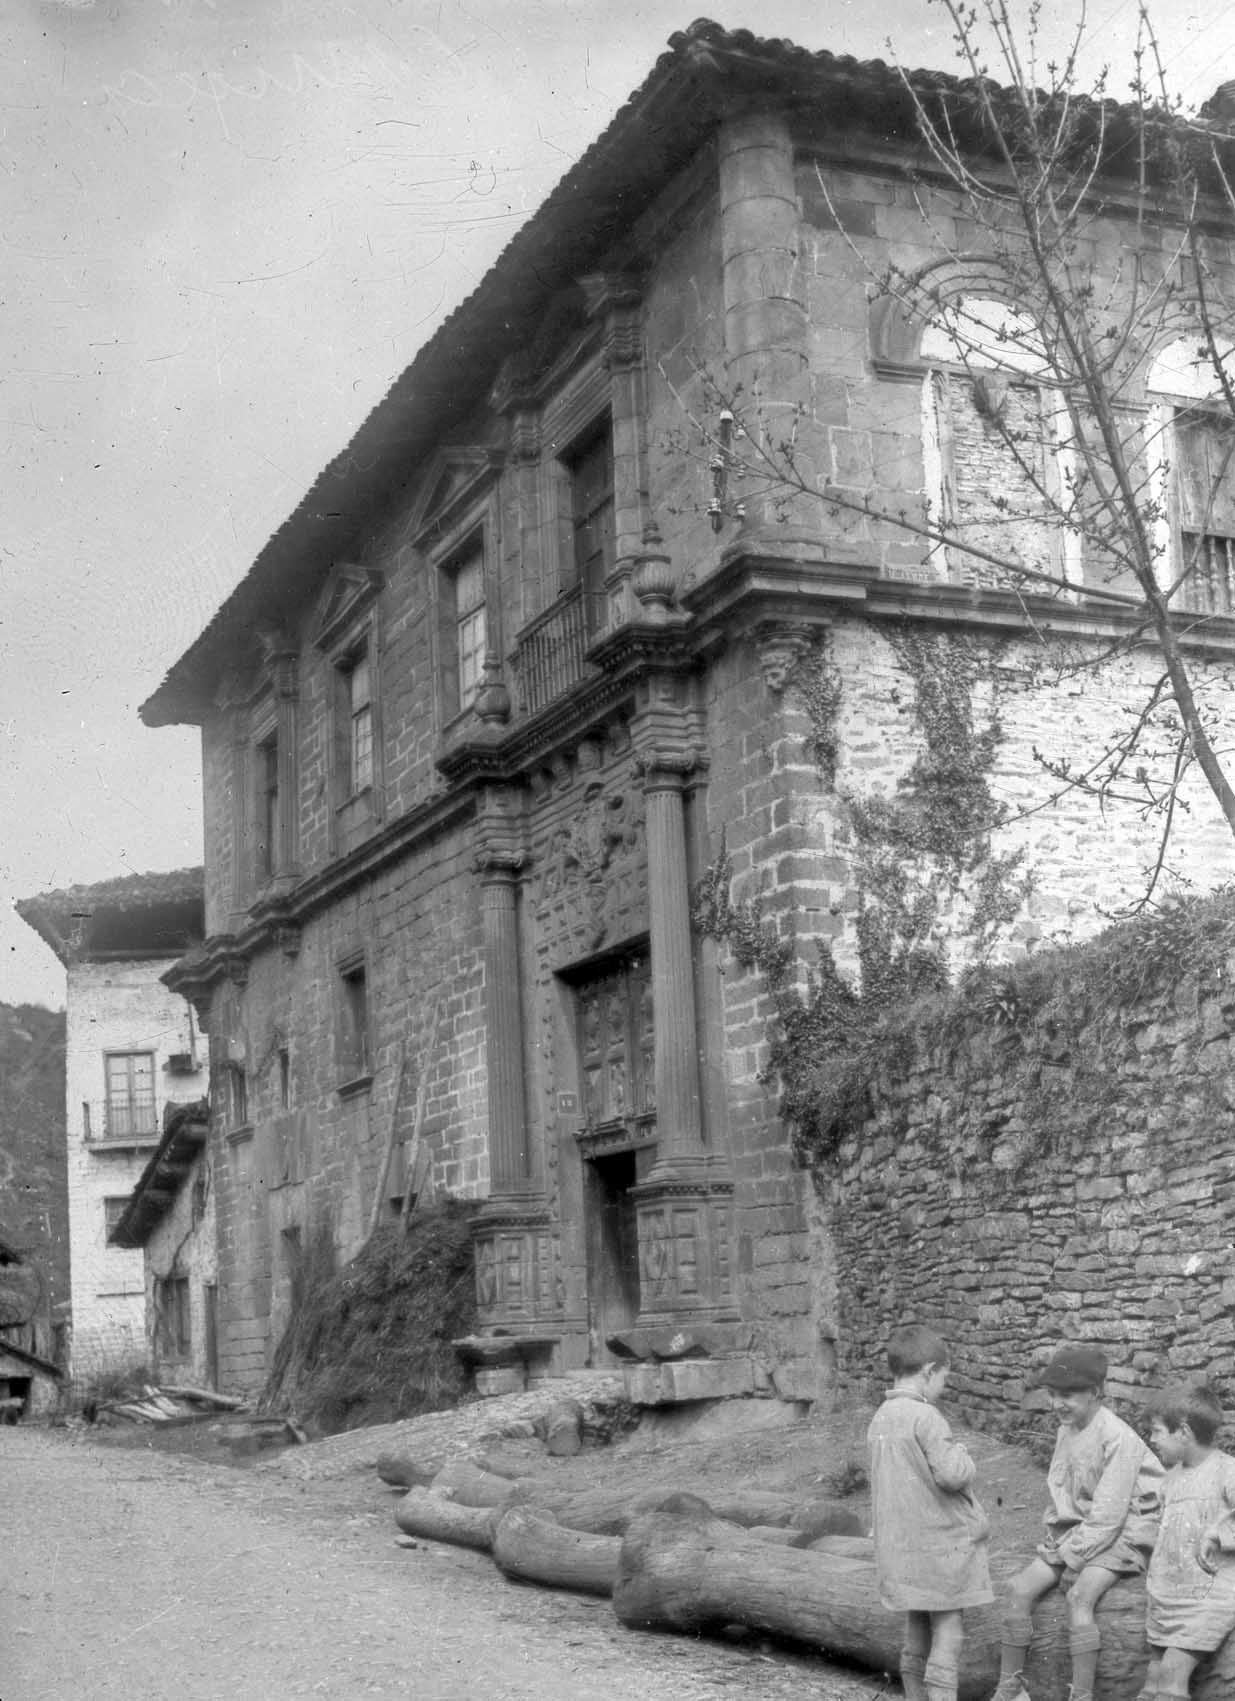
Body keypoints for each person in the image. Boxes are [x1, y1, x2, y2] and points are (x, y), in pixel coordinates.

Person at [988, 1344, 1164, 1701]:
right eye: (1052, 1395)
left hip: (1127, 1530)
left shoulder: (1119, 1438)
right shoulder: (1066, 1430)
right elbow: (1064, 1494)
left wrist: (1073, 1557)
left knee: (1079, 1596)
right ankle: (1010, 1687)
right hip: (1085, 1529)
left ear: (1095, 1393)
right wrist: (1060, 1544)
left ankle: (1080, 1696)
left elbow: (1109, 1516)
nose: (1057, 1404)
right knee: (1020, 1588)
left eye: (1067, 1396)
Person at [867, 1322, 994, 1701]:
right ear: (928, 1372)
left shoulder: (881, 1418)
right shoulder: (926, 1417)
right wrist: (966, 1457)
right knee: (949, 1630)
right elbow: (953, 1475)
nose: (944, 1387)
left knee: (916, 1627)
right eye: (943, 1379)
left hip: (901, 1544)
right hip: (937, 1546)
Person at [1140, 1382, 1235, 1701]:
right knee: (1152, 1681)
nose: (1151, 1440)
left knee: (1171, 1676)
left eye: (1155, 1431)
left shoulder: (1227, 1470)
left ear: (1183, 1431)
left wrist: (1218, 1533)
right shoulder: (1170, 1479)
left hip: (1207, 1598)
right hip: (1167, 1598)